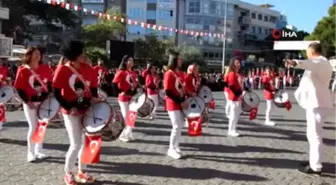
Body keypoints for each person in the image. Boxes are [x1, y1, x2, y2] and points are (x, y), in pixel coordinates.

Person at [52, 40, 99, 185]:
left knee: (85, 143)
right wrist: (68, 106)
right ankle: (68, 173)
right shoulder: (63, 69)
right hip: (70, 111)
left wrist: (95, 99)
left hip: (85, 109)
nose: (83, 54)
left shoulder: (88, 68)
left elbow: (93, 88)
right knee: (75, 144)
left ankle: (82, 171)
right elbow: (56, 92)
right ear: (74, 54)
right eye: (81, 52)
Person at [285, 42, 333, 175]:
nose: (306, 54)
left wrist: (294, 62)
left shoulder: (319, 62)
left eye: (307, 52)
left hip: (317, 104)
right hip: (316, 103)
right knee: (312, 135)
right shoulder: (320, 63)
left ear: (311, 52)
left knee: (315, 135)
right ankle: (313, 161)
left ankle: (316, 166)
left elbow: (308, 63)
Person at [14, 46, 50, 162]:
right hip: (30, 103)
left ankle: (39, 150)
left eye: (39, 53)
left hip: (43, 102)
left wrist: (50, 95)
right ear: (29, 55)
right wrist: (27, 102)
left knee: (42, 126)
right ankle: (30, 152)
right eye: (35, 53)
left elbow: (49, 83)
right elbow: (19, 88)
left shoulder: (45, 68)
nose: (37, 55)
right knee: (33, 127)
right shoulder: (23, 69)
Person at [164, 52, 187, 159]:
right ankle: (171, 149)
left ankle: (176, 146)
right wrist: (180, 101)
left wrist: (183, 100)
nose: (181, 60)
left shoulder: (178, 73)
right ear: (174, 60)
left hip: (179, 103)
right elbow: (168, 91)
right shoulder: (169, 73)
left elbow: (181, 89)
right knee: (176, 126)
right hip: (172, 103)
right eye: (179, 59)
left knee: (180, 125)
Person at [112, 55, 138, 142]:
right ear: (125, 62)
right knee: (125, 116)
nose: (132, 62)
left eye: (132, 60)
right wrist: (119, 92)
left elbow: (135, 84)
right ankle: (122, 134)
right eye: (130, 60)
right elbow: (114, 83)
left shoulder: (134, 73)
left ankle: (129, 132)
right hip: (124, 97)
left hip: (132, 97)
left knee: (133, 115)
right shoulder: (121, 72)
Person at [225, 57, 243, 137]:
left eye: (239, 63)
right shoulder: (232, 74)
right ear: (233, 64)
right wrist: (239, 95)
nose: (239, 64)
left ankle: (233, 129)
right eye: (237, 63)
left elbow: (239, 86)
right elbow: (232, 87)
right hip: (233, 97)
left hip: (237, 97)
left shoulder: (237, 74)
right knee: (233, 115)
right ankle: (230, 130)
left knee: (236, 114)